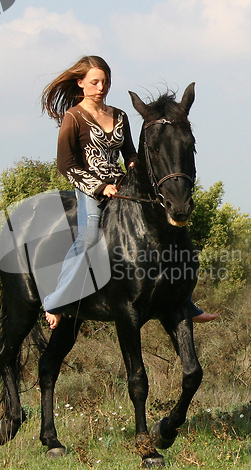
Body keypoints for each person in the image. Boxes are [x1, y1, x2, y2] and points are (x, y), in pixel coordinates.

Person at [41, 56, 218, 329]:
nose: (101, 87)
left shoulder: (120, 115)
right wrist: (100, 187)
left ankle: (185, 301)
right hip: (91, 190)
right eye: (95, 82)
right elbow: (66, 165)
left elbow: (130, 153)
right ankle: (56, 300)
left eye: (105, 82)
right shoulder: (73, 117)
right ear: (81, 83)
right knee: (88, 238)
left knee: (168, 231)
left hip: (123, 186)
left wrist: (134, 164)